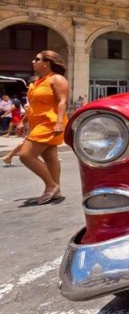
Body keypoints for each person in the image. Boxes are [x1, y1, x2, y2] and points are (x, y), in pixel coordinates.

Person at [16, 50, 69, 205]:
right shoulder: (38, 81)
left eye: (37, 59)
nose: (33, 61)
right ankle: (56, 191)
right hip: (37, 122)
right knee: (49, 156)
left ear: (47, 63)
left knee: (25, 155)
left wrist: (59, 122)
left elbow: (62, 101)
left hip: (50, 122)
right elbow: (33, 105)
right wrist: (22, 121)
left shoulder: (57, 79)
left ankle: (51, 185)